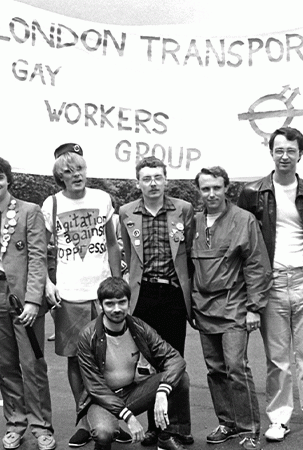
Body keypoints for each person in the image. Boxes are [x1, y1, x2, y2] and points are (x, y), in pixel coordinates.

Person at [237, 127, 303, 442]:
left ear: (300, 154)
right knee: (277, 358)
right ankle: (279, 418)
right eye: (279, 150)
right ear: (271, 153)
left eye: (290, 151)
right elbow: (243, 241)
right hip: (272, 284)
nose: (284, 156)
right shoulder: (252, 193)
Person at [0, 155, 55, 450]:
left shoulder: (30, 211)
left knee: (32, 363)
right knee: (6, 365)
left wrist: (33, 301)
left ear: (8, 180)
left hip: (22, 299)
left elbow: (38, 259)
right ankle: (15, 423)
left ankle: (42, 426)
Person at [41, 143, 126, 448]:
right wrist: (47, 284)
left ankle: (115, 417)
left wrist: (117, 282)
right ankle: (82, 420)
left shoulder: (102, 199)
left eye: (80, 169)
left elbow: (113, 244)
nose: (76, 175)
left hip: (102, 293)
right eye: (68, 171)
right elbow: (42, 251)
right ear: (59, 176)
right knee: (76, 361)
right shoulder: (50, 204)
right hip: (70, 295)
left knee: (109, 360)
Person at [190, 166, 271, 450]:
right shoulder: (193, 221)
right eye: (205, 188)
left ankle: (250, 429)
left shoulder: (243, 219)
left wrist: (254, 308)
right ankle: (227, 422)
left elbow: (257, 265)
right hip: (203, 306)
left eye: (216, 187)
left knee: (236, 367)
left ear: (227, 188)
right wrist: (191, 305)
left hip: (234, 305)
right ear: (198, 191)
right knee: (214, 369)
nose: (211, 194)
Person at [118, 156, 195, 446]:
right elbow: (126, 254)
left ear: (166, 180)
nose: (152, 183)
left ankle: (176, 428)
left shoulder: (184, 210)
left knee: (174, 360)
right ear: (138, 182)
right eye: (146, 178)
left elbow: (189, 254)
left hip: (173, 293)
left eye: (157, 177)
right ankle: (155, 427)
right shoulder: (126, 212)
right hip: (143, 295)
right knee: (149, 364)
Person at [76, 277, 191, 450]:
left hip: (132, 393)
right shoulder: (88, 336)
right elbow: (94, 386)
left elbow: (174, 358)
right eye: (110, 304)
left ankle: (167, 437)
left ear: (129, 302)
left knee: (179, 378)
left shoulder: (139, 327)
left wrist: (162, 391)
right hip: (101, 399)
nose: (117, 309)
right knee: (104, 432)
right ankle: (102, 445)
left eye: (122, 302)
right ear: (100, 305)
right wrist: (128, 417)